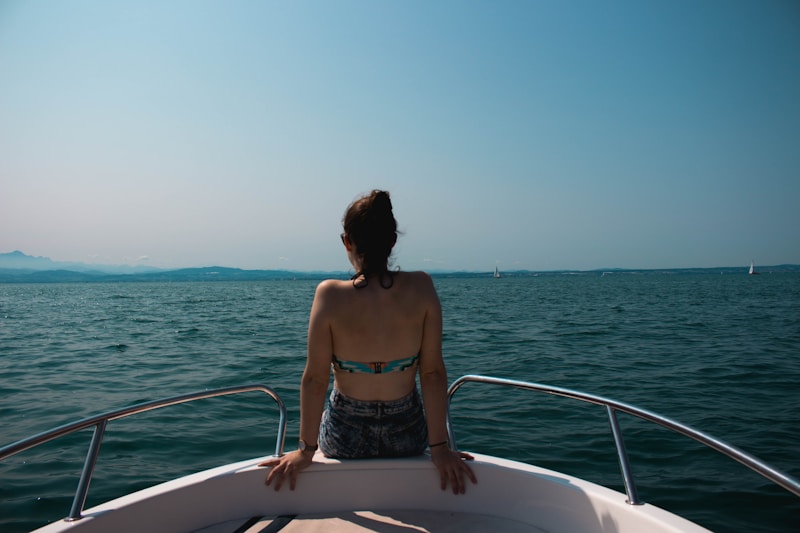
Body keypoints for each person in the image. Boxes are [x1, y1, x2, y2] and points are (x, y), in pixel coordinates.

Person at [259, 190, 477, 494]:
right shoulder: (422, 287)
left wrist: (305, 451)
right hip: (407, 437)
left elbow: (315, 378)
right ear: (392, 241)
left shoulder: (330, 295)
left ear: (347, 241)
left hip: (345, 438)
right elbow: (432, 374)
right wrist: (439, 448)